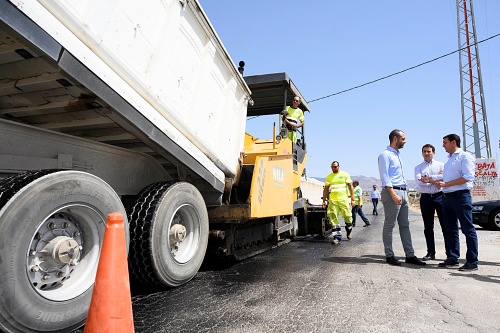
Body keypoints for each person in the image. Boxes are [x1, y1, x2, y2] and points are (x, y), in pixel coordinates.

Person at [378, 129, 426, 266]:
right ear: (395, 139)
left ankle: (410, 255)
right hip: (393, 192)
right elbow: (385, 176)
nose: (405, 141)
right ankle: (389, 255)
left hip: (403, 192)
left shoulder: (397, 155)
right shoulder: (385, 155)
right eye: (403, 139)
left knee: (404, 225)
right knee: (389, 224)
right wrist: (393, 194)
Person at [434, 134, 478, 271]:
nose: (443, 145)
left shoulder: (465, 156)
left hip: (460, 196)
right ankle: (453, 258)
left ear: (453, 142)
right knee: (451, 229)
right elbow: (447, 178)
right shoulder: (449, 160)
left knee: (467, 228)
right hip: (447, 197)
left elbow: (467, 177)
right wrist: (435, 180)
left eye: (445, 142)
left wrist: (446, 183)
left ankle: (472, 261)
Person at [414, 144, 448, 261]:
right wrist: (435, 180)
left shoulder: (441, 165)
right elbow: (420, 182)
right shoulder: (418, 168)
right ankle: (430, 252)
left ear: (434, 152)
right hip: (426, 198)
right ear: (422, 153)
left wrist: (429, 178)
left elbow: (444, 178)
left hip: (440, 197)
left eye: (429, 151)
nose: (427, 153)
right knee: (428, 227)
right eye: (424, 151)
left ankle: (450, 253)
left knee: (445, 225)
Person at [322, 161, 354, 244]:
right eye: (332, 167)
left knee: (348, 216)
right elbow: (326, 189)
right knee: (333, 218)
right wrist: (324, 201)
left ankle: (349, 229)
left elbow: (350, 187)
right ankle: (337, 237)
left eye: (335, 167)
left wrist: (353, 199)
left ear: (339, 166)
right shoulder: (329, 177)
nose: (334, 168)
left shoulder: (345, 175)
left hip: (343, 200)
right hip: (333, 201)